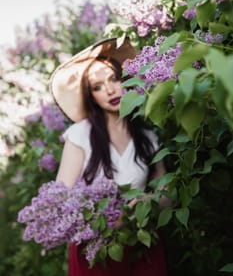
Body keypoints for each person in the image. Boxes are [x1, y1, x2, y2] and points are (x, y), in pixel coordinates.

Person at [50, 37, 168, 276]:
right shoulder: (80, 135)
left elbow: (166, 195)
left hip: (142, 245)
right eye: (98, 86)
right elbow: (61, 198)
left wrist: (147, 202)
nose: (110, 90)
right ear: (91, 96)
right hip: (97, 252)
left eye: (114, 79)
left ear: (125, 79)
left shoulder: (148, 138)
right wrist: (104, 217)